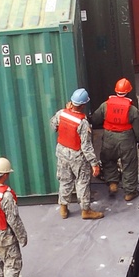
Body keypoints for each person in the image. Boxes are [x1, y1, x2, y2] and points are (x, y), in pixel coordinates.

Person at [51, 88, 103, 219]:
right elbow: (86, 146)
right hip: (77, 156)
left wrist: (65, 111)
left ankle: (63, 208)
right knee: (82, 182)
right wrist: (94, 163)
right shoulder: (83, 123)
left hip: (62, 152)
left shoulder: (61, 113)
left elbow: (53, 125)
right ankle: (86, 210)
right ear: (83, 105)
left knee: (65, 180)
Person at [92, 78, 139, 201]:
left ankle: (113, 183)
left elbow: (95, 119)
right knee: (129, 165)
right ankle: (130, 192)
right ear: (129, 92)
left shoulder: (105, 105)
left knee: (108, 160)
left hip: (109, 138)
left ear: (116, 91)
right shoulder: (132, 110)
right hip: (126, 139)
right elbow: (138, 129)